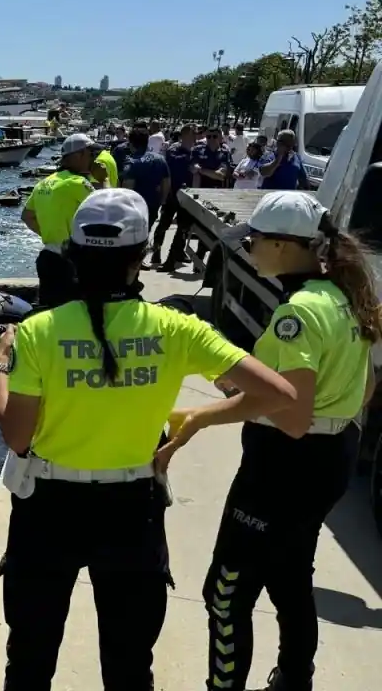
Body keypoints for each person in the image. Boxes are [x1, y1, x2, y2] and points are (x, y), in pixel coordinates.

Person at [0, 188, 295, 691]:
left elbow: (19, 437)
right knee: (130, 664)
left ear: (73, 255)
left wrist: (2, 365)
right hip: (132, 509)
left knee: (29, 658)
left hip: (48, 509)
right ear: (141, 258)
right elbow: (279, 394)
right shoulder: (176, 328)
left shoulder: (35, 332)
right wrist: (196, 418)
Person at [156, 191, 379, 691]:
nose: (248, 248)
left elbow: (293, 414)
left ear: (282, 245)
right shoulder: (344, 296)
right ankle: (296, 679)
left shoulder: (296, 316)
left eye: (253, 240)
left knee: (226, 592)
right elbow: (361, 387)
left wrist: (198, 417)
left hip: (282, 469)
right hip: (330, 459)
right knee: (290, 575)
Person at [21, 133, 101, 308]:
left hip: (47, 256)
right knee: (75, 313)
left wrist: (50, 232)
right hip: (71, 261)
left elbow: (27, 216)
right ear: (79, 155)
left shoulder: (43, 183)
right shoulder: (79, 183)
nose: (93, 160)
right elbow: (109, 210)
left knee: (48, 311)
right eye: (90, 154)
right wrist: (105, 181)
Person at [149, 124, 197, 269]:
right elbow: (174, 163)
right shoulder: (174, 149)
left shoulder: (196, 151)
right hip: (172, 193)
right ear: (185, 135)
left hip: (188, 195)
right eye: (193, 133)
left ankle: (175, 256)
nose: (196, 135)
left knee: (183, 227)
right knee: (164, 224)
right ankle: (156, 251)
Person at [119, 126, 171, 258]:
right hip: (153, 205)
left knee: (130, 239)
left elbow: (127, 188)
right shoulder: (160, 159)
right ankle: (140, 261)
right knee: (145, 234)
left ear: (130, 143)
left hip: (134, 209)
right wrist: (162, 200)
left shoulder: (132, 162)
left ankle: (133, 266)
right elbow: (166, 182)